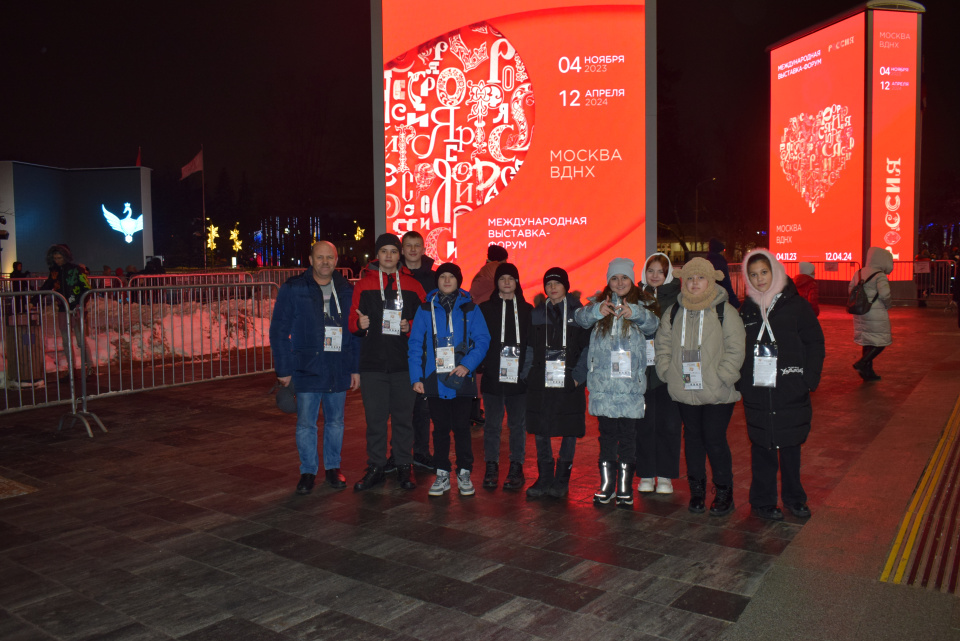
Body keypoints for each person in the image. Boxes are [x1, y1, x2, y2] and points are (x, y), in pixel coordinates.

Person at [655, 257, 745, 516]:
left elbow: (736, 347)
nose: (695, 283)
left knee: (714, 440)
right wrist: (666, 371)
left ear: (711, 280)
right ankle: (697, 491)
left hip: (717, 391)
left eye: (700, 278)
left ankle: (724, 493)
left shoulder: (724, 311)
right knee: (692, 439)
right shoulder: (674, 311)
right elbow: (662, 344)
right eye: (690, 278)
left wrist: (723, 377)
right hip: (684, 388)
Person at [739, 249, 825, 520]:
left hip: (790, 387)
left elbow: (815, 342)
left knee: (790, 446)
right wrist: (743, 383)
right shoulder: (747, 310)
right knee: (762, 446)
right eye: (753, 275)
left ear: (775, 271)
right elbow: (737, 349)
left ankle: (794, 498)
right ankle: (763, 502)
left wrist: (808, 379)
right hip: (758, 390)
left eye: (764, 272)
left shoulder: (796, 305)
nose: (759, 279)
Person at [270, 241, 360, 494]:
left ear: (336, 260)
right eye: (319, 258)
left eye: (329, 257)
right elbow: (279, 331)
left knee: (336, 422)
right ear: (310, 260)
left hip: (337, 367)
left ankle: (333, 468)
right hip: (306, 367)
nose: (325, 262)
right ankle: (307, 471)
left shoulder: (347, 290)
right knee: (306, 424)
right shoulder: (293, 289)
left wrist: (355, 368)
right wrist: (283, 369)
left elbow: (353, 332)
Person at [575, 258, 659, 506]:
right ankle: (607, 485)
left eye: (624, 278)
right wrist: (595, 311)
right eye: (614, 278)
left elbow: (654, 324)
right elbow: (579, 319)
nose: (619, 282)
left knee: (629, 437)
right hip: (603, 386)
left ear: (631, 280)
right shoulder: (599, 303)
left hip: (630, 387)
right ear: (608, 281)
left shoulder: (644, 304)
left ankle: (624, 487)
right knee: (606, 437)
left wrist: (636, 313)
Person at [348, 233, 426, 490]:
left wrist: (410, 325)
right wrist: (359, 325)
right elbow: (351, 322)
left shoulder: (413, 286)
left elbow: (427, 323)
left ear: (399, 255)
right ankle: (376, 466)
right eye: (384, 251)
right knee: (376, 421)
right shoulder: (363, 285)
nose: (389, 256)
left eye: (393, 251)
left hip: (405, 365)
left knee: (404, 420)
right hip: (373, 365)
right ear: (377, 256)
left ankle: (404, 466)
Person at [408, 263, 490, 496]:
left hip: (461, 378)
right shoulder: (426, 308)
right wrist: (416, 377)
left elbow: (483, 340)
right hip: (434, 378)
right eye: (442, 276)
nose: (446, 280)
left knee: (463, 428)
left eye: (451, 277)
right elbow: (414, 344)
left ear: (458, 280)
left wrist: (467, 364)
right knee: (441, 429)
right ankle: (442, 473)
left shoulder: (470, 308)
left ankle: (464, 471)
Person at [521, 267, 590, 499]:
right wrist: (527, 373)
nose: (552, 287)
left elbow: (587, 348)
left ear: (566, 286)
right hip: (541, 380)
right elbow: (529, 347)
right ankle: (544, 478)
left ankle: (562, 479)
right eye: (548, 283)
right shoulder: (537, 313)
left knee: (569, 429)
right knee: (541, 429)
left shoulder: (580, 314)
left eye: (557, 283)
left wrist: (579, 376)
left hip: (569, 380)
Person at [478, 262, 532, 491]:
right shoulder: (484, 309)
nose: (507, 282)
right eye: (502, 279)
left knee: (517, 425)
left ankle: (516, 466)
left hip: (519, 378)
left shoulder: (528, 309)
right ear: (496, 283)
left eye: (511, 278)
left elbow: (531, 344)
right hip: (493, 376)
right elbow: (478, 340)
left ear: (517, 282)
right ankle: (492, 465)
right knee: (491, 425)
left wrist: (526, 372)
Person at [636, 252, 682, 495]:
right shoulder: (635, 298)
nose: (655, 275)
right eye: (651, 270)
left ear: (668, 274)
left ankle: (665, 475)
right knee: (643, 425)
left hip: (668, 373)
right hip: (642, 374)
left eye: (660, 271)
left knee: (669, 426)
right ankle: (645, 473)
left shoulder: (679, 299)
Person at [401, 230, 438, 471]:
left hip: (427, 349)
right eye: (409, 246)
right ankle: (399, 453)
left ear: (424, 249)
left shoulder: (435, 278)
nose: (413, 250)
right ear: (402, 250)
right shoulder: (392, 275)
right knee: (401, 406)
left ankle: (422, 451)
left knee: (423, 406)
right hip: (397, 347)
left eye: (417, 246)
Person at [40, 244, 91, 374]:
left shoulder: (76, 269)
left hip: (76, 308)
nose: (58, 260)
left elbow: (86, 288)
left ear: (65, 257)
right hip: (63, 309)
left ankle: (89, 368)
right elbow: (47, 285)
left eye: (60, 257)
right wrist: (34, 299)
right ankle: (71, 370)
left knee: (80, 341)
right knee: (66, 341)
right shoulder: (54, 272)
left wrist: (81, 303)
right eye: (55, 258)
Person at [851, 246, 893, 381]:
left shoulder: (859, 272)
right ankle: (862, 363)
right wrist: (888, 305)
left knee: (867, 341)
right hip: (875, 312)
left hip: (860, 311)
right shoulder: (880, 275)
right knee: (881, 341)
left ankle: (867, 372)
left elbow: (851, 290)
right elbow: (885, 294)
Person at [707, 238, 741, 309]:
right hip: (719, 295)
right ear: (720, 251)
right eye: (723, 250)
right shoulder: (721, 263)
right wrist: (735, 303)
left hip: (708, 296)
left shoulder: (707, 262)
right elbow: (727, 284)